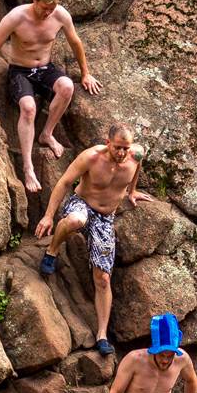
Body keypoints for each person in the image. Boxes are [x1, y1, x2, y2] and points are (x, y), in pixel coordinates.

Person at [34, 121, 151, 357]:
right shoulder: (91, 157)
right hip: (82, 204)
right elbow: (65, 182)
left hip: (106, 218)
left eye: (125, 149)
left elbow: (138, 162)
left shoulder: (135, 155)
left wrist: (132, 191)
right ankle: (52, 251)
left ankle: (102, 336)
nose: (121, 153)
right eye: (117, 147)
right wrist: (48, 215)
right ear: (108, 143)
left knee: (104, 279)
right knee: (75, 220)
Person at [0, 0, 99, 193]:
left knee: (67, 87)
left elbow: (75, 42)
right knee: (29, 108)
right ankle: (28, 166)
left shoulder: (60, 15)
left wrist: (85, 73)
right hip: (20, 71)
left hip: (45, 69)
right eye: (43, 8)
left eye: (51, 8)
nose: (47, 13)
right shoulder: (15, 17)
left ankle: (47, 134)